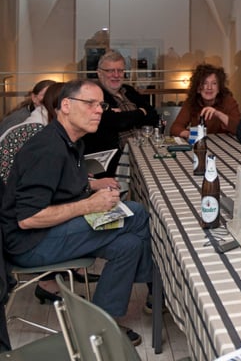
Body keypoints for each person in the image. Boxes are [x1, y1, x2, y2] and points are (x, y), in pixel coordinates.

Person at [0, 79, 152, 346]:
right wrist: (89, 205)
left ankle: (101, 323)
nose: (99, 110)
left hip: (50, 232)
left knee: (128, 245)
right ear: (66, 106)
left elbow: (62, 186)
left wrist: (92, 188)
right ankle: (155, 289)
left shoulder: (70, 141)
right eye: (90, 103)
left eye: (101, 105)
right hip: (30, 243)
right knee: (137, 212)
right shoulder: (47, 148)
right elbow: (27, 219)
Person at [82, 50, 158, 176]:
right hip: (112, 164)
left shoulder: (129, 90)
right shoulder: (94, 94)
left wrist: (124, 116)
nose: (116, 75)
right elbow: (114, 122)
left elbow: (153, 116)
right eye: (110, 71)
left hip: (143, 155)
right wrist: (140, 112)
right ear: (99, 73)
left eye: (120, 70)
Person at [170, 63, 241, 138]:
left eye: (214, 83)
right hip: (200, 143)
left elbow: (239, 129)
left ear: (219, 88)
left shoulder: (228, 101)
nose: (209, 87)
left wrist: (218, 114)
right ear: (198, 88)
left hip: (225, 143)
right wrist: (189, 134)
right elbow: (175, 128)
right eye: (205, 83)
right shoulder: (191, 102)